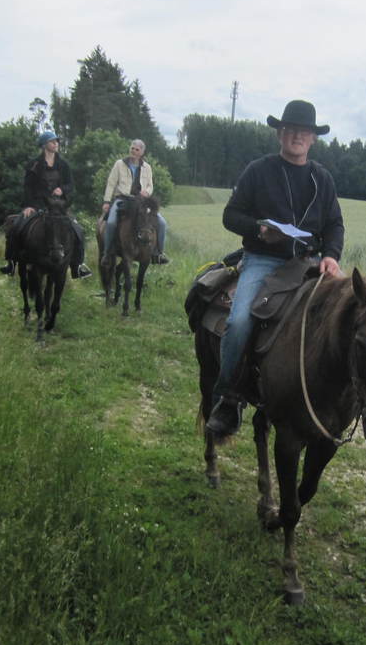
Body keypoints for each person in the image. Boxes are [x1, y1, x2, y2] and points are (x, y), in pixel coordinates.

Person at [204, 99, 345, 439]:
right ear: (280, 134)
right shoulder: (259, 171)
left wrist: (331, 255)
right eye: (291, 129)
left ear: (313, 138)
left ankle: (334, 393)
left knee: (346, 316)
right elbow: (230, 215)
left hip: (309, 263)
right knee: (239, 321)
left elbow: (335, 224)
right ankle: (228, 397)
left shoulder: (322, 178)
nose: (297, 136)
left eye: (304, 131)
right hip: (263, 260)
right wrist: (258, 230)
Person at [0, 130, 92, 279]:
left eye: (56, 141)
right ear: (44, 145)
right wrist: (28, 205)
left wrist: (62, 189)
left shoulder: (63, 164)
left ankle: (77, 266)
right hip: (37, 204)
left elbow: (71, 185)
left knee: (78, 230)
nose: (56, 144)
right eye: (52, 141)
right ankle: (11, 262)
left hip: (58, 207)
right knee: (16, 226)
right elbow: (28, 187)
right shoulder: (34, 164)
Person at [100, 139, 170, 267]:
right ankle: (107, 254)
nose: (133, 151)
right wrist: (107, 201)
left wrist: (146, 192)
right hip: (123, 199)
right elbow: (111, 183)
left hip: (141, 201)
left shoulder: (147, 167)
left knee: (162, 223)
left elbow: (150, 185)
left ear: (142, 152)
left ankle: (158, 253)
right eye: (132, 148)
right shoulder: (119, 164)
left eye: (137, 149)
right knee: (110, 222)